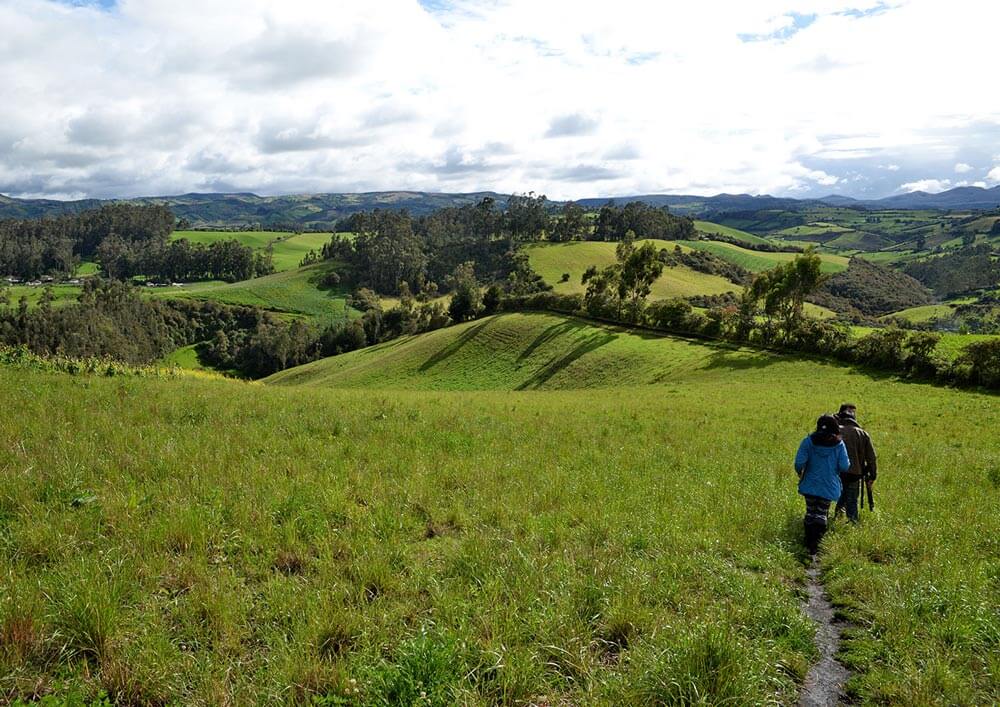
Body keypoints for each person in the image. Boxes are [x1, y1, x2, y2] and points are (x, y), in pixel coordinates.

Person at [795, 414, 851, 555]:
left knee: (810, 512)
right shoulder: (839, 445)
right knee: (821, 513)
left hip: (810, 483)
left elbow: (799, 462)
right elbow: (845, 466)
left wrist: (800, 472)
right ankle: (817, 545)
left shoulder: (808, 441)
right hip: (829, 485)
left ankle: (808, 543)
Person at [834, 403, 877, 523]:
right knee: (852, 500)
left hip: (837, 472)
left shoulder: (836, 432)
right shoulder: (863, 434)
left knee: (844, 494)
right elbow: (871, 458)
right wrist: (872, 475)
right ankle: (853, 524)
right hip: (855, 473)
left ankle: (837, 516)